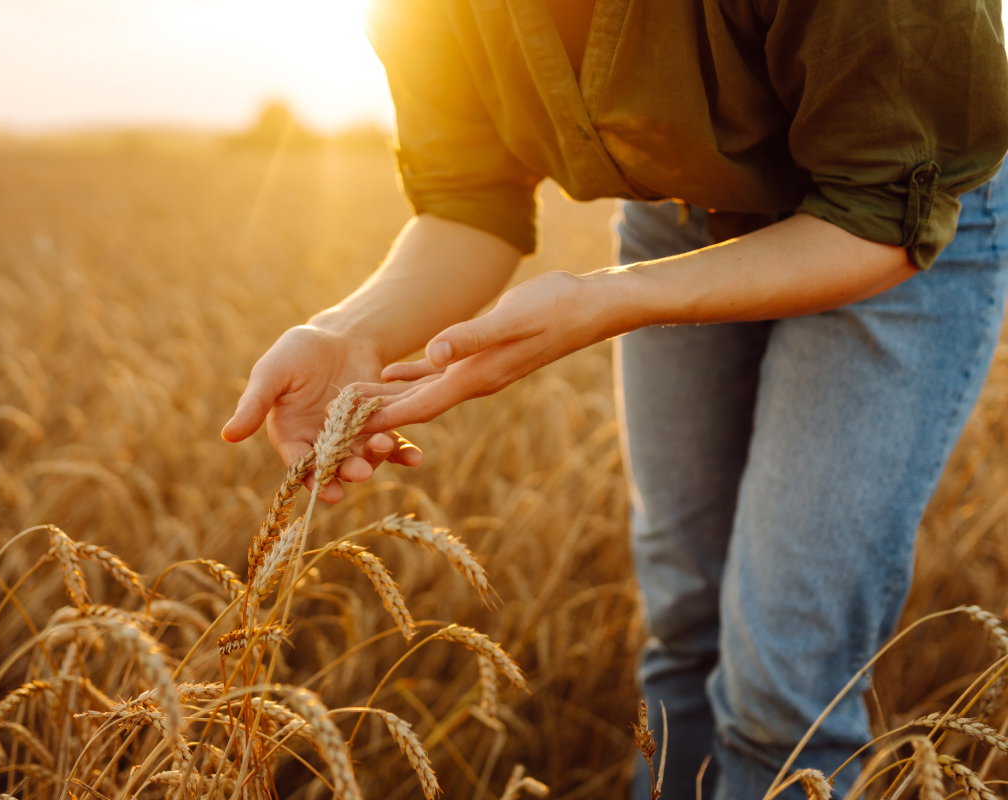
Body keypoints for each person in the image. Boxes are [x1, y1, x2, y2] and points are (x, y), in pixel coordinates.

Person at [221, 0, 1008, 796]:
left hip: (891, 213)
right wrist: (346, 334)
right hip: (678, 215)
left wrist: (608, 301)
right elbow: (468, 205)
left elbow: (878, 209)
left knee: (784, 678)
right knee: (685, 617)